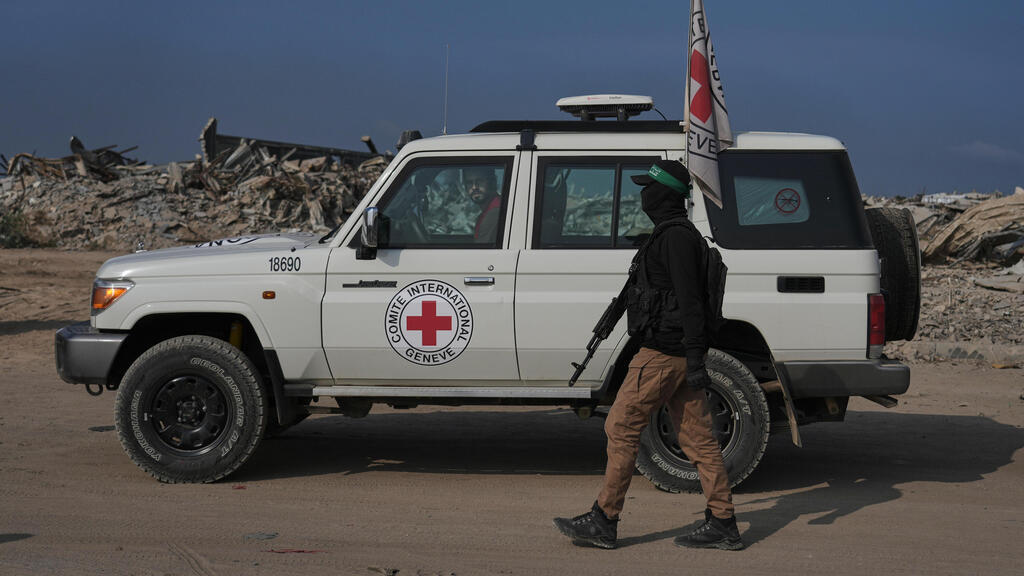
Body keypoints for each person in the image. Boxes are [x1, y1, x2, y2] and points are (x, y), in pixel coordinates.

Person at [553, 159, 743, 551]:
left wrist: (694, 358)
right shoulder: (675, 235)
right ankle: (723, 522)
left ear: (664, 195)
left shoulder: (674, 239)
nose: (642, 195)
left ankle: (604, 520)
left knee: (620, 428)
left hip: (660, 355)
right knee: (699, 439)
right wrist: (692, 358)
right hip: (676, 354)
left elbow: (690, 300)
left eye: (648, 188)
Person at [463, 167, 501, 242]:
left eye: (480, 181)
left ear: (493, 182)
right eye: (469, 183)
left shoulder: (494, 213)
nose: (474, 187)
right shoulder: (487, 213)